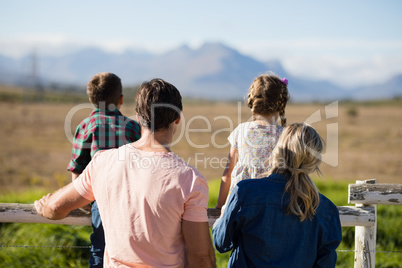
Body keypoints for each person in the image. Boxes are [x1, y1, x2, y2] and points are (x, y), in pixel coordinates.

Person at [35, 78, 216, 267]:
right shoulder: (190, 180)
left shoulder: (102, 162)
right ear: (177, 118)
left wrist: (43, 206)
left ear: (137, 117)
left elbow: (55, 208)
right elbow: (201, 257)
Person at [212, 123, 342, 267]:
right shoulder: (327, 210)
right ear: (314, 161)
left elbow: (221, 243)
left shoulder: (245, 192)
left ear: (278, 151)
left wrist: (223, 215)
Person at [66, 72, 141, 267]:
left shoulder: (86, 126)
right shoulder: (133, 127)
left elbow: (77, 168)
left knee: (100, 249)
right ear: (121, 99)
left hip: (100, 200)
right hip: (131, 202)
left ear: (91, 99)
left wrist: (83, 201)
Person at [215, 73, 290, 210]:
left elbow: (228, 172)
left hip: (241, 206)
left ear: (252, 101)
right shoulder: (286, 135)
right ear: (282, 103)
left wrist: (221, 205)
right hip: (275, 206)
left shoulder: (241, 130)